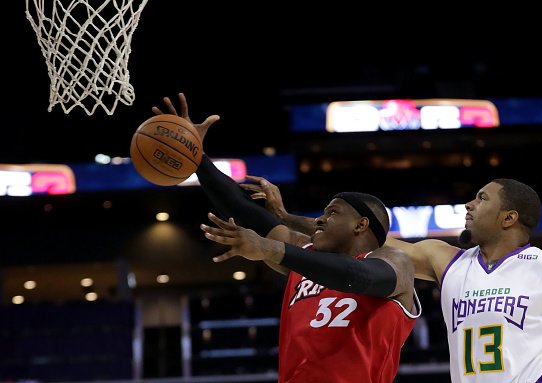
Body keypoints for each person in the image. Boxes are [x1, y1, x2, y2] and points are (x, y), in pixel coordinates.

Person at [152, 93, 421, 383]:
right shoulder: (303, 254)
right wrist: (197, 158)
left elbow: (355, 276)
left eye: (332, 213)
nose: (320, 219)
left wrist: (272, 249)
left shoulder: (395, 262)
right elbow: (243, 209)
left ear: (360, 225)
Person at [240, 175, 542, 383]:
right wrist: (288, 217)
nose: (469, 205)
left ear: (509, 217)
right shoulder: (447, 260)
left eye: (482, 199)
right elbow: (366, 236)